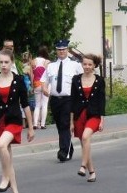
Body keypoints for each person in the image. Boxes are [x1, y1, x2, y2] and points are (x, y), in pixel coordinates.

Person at [0, 48, 35, 193]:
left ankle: (5, 176)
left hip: (13, 120)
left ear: (12, 62)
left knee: (1, 145)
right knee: (8, 157)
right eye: (1, 62)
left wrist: (31, 127)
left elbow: (25, 105)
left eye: (6, 62)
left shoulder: (19, 80)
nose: (4, 65)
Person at [42, 39, 83, 162]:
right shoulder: (51, 66)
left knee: (65, 123)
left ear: (67, 50)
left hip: (69, 99)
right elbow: (44, 81)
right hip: (55, 99)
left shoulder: (75, 65)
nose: (62, 52)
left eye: (64, 49)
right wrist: (44, 89)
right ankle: (69, 147)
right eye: (59, 50)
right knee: (60, 125)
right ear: (56, 51)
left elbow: (82, 79)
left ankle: (63, 151)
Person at [70, 53, 105, 183]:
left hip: (93, 115)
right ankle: (92, 172)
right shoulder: (75, 79)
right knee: (85, 144)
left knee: (86, 137)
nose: (87, 67)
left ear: (94, 65)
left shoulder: (99, 80)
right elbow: (72, 101)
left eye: (90, 64)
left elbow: (102, 101)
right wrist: (71, 122)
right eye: (84, 64)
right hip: (79, 115)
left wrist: (102, 119)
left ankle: (82, 166)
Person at [32, 46, 51, 129]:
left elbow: (31, 74)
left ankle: (35, 124)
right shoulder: (47, 62)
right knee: (44, 104)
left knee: (37, 105)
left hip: (36, 83)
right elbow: (49, 75)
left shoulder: (33, 61)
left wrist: (32, 86)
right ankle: (43, 124)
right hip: (45, 84)